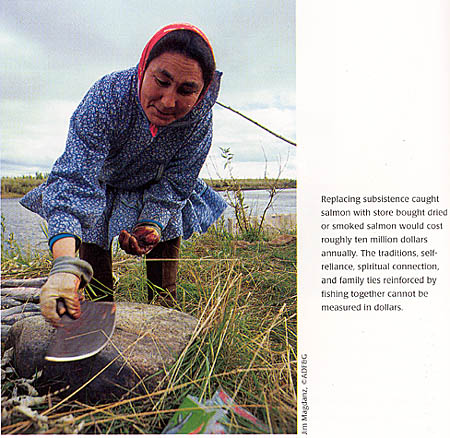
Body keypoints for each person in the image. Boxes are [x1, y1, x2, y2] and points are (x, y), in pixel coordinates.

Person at [20, 23, 227, 326]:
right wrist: (64, 267)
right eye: (162, 81)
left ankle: (165, 318)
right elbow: (76, 183)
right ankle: (96, 318)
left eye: (186, 90)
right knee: (93, 264)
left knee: (167, 237)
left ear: (202, 90)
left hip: (154, 183)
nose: (169, 102)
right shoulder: (106, 97)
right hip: (102, 183)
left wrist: (151, 224)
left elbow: (176, 185)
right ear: (144, 66)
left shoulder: (199, 120)